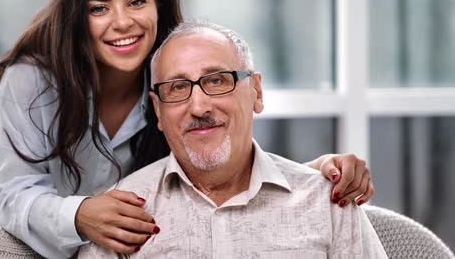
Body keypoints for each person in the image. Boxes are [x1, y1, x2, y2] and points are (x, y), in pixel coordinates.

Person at [0, 0, 374, 258]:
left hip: (81, 240)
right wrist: (79, 214)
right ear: (77, 16)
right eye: (99, 8)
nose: (122, 22)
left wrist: (306, 179)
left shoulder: (172, 81)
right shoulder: (34, 80)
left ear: (157, 4)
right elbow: (12, 194)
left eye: (136, 2)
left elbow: (213, 153)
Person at [79, 20, 387, 258]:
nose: (198, 107)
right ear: (158, 111)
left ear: (256, 92)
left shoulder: (327, 202)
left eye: (217, 81)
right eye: (176, 87)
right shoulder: (120, 212)